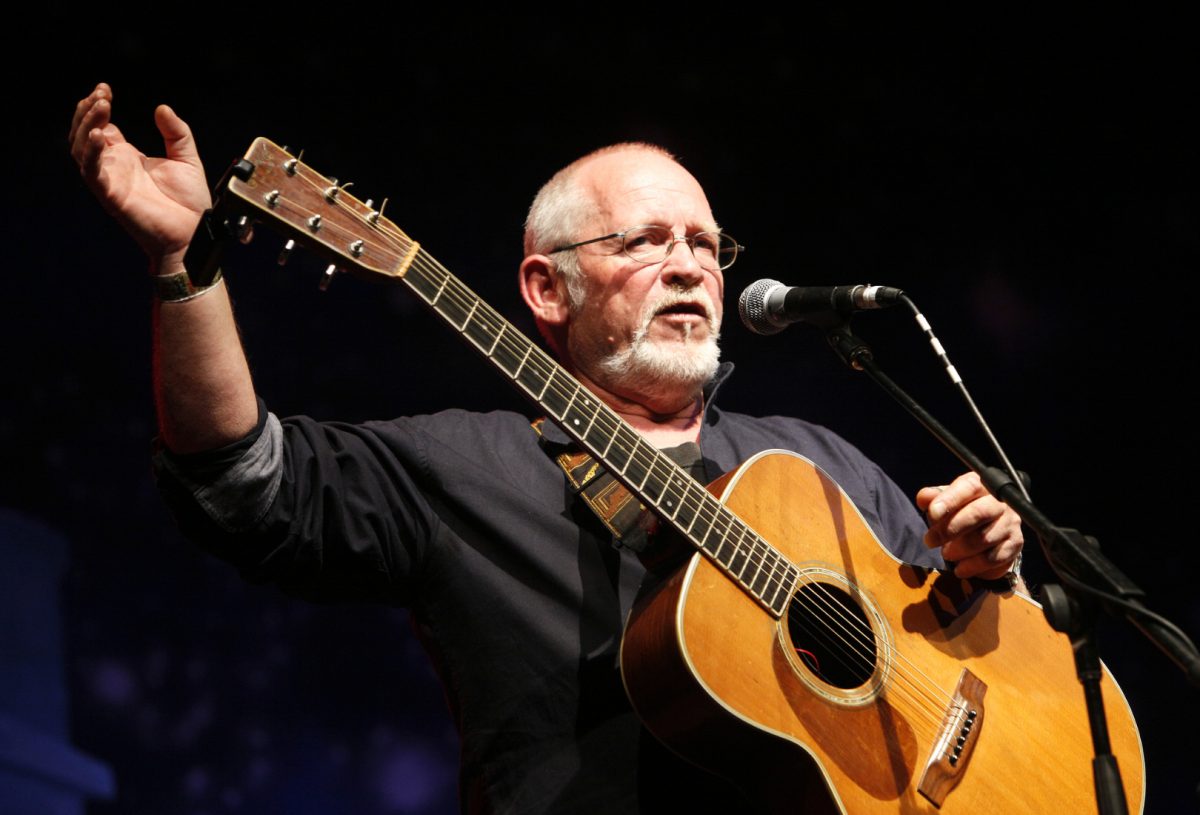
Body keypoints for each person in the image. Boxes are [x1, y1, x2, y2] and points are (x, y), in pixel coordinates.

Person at [70, 82, 1024, 813]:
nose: (689, 264)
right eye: (646, 240)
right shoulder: (460, 467)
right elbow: (239, 480)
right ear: (546, 288)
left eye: (705, 243)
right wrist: (181, 265)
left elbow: (960, 642)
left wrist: (991, 575)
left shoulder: (812, 464)